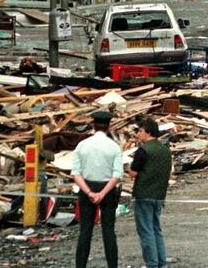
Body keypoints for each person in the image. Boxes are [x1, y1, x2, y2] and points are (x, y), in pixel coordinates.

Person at [72, 110, 123, 268]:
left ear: (93, 125)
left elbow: (76, 173)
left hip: (87, 187)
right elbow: (117, 175)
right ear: (108, 126)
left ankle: (80, 265)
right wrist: (102, 193)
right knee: (108, 231)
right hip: (107, 190)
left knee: (85, 231)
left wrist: (88, 192)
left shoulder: (82, 145)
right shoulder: (114, 147)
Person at [128, 118, 173, 268]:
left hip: (143, 194)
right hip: (159, 194)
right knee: (156, 229)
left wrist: (129, 167)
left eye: (140, 131)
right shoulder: (165, 150)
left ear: (148, 132)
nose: (138, 134)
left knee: (146, 231)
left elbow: (133, 173)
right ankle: (161, 261)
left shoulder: (143, 150)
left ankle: (152, 263)